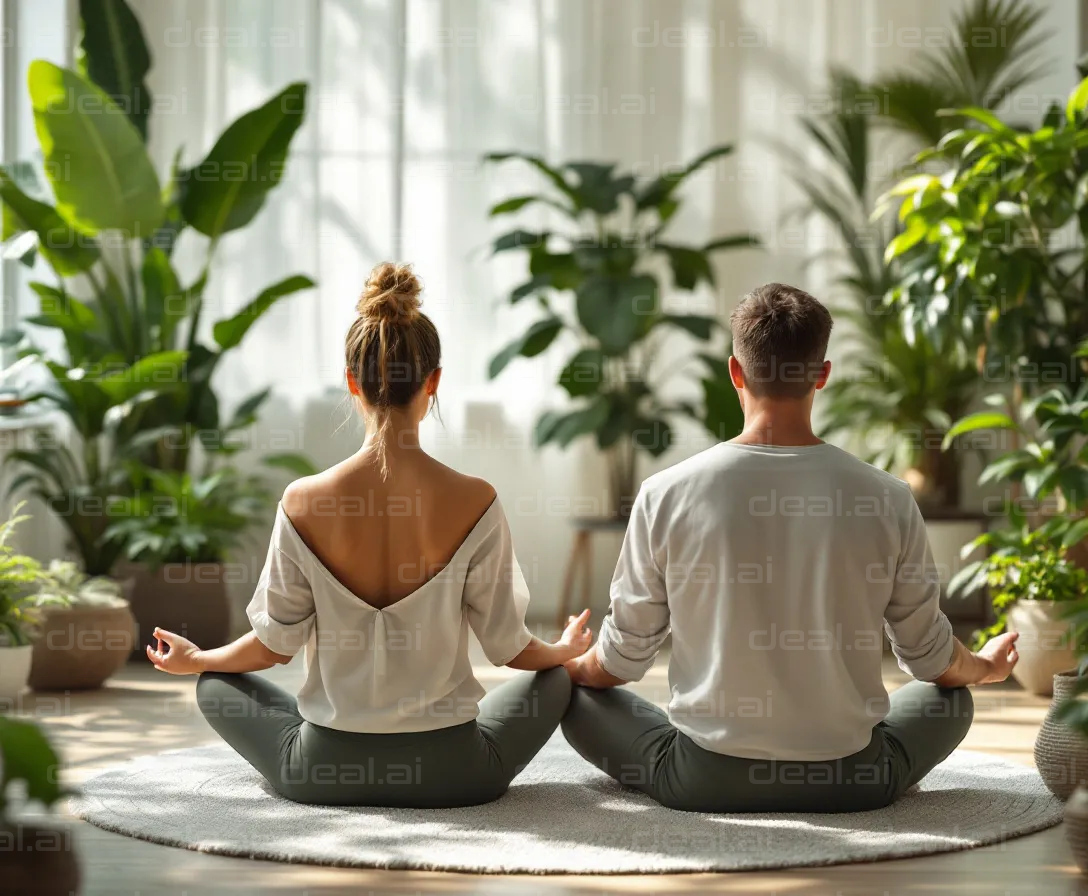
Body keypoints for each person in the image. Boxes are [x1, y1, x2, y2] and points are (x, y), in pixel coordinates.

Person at [148, 262, 592, 808]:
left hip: (321, 772)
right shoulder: (476, 499)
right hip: (456, 775)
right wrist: (563, 651)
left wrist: (200, 660)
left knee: (216, 685)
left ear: (352, 381)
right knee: (556, 680)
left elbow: (271, 648)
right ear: (434, 382)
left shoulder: (301, 500)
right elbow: (508, 649)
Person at [561, 282, 1019, 814]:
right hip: (855, 781)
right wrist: (985, 666)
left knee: (577, 699)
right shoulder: (888, 497)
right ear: (822, 375)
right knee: (951, 700)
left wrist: (566, 665)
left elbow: (620, 661)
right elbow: (931, 659)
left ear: (734, 371)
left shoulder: (665, 493)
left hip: (702, 780)